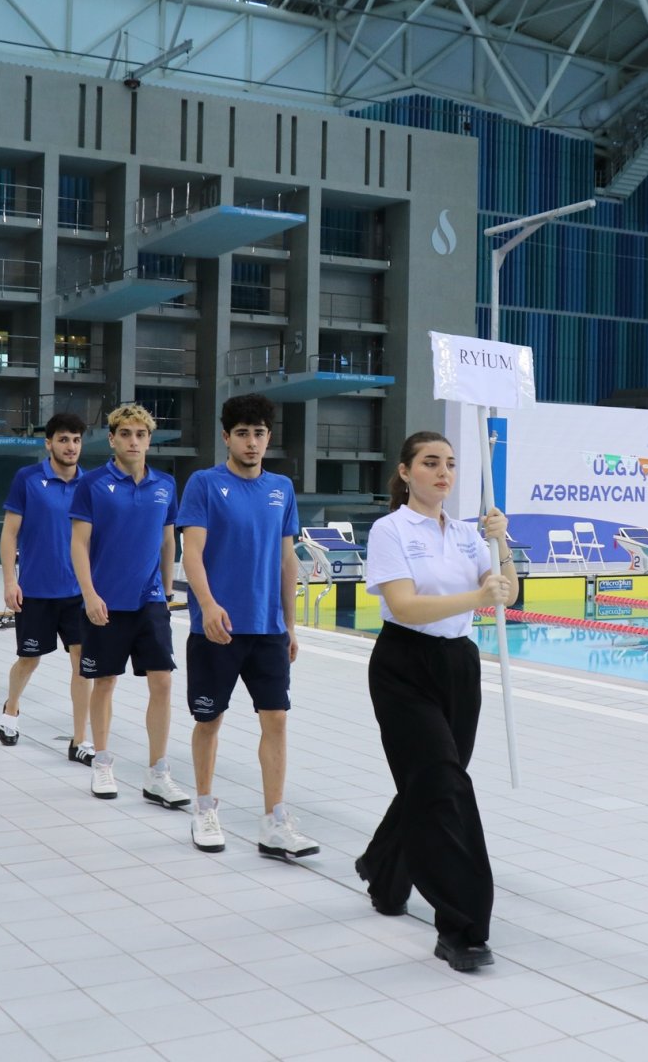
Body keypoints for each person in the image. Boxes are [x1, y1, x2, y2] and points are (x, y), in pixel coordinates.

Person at [356, 431, 517, 973]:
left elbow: (507, 593)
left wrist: (502, 544)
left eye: (449, 463)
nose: (443, 472)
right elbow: (404, 606)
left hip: (458, 666)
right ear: (406, 472)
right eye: (430, 463)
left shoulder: (471, 534)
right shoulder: (391, 530)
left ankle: (384, 871)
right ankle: (462, 927)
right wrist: (478, 596)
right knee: (443, 787)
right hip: (404, 666)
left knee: (432, 782)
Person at [177, 393, 316, 857]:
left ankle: (275, 821)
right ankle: (204, 808)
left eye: (258, 434)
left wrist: (290, 625)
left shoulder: (282, 488)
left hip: (268, 628)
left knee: (276, 719)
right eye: (242, 434)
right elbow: (192, 553)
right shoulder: (204, 484)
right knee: (209, 720)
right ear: (226, 437)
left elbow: (287, 559)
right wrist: (208, 605)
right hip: (216, 628)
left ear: (268, 437)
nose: (251, 442)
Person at [69, 403, 189, 807]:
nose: (133, 441)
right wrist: (89, 595)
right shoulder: (92, 484)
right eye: (125, 434)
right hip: (105, 602)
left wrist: (167, 591)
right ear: (112, 439)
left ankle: (158, 773)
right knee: (105, 682)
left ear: (149, 440)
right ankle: (102, 762)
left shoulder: (165, 485)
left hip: (150, 599)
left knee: (163, 681)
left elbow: (168, 540)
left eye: (140, 434)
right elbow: (79, 544)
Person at [0, 413, 93, 757]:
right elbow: (9, 533)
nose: (71, 447)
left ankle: (79, 739)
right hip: (36, 590)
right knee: (29, 659)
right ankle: (11, 708)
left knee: (83, 662)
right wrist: (10, 581)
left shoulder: (90, 484)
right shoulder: (28, 478)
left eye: (76, 440)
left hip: (78, 593)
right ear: (49, 443)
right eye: (64, 439)